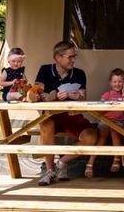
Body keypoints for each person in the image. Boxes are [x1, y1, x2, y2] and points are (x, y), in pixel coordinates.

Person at [34, 41, 97, 186]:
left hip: (72, 115)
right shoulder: (44, 70)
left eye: (74, 56)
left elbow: (83, 95)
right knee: (46, 126)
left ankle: (61, 163)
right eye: (70, 57)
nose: (73, 60)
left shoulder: (79, 73)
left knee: (91, 136)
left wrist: (77, 96)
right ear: (58, 57)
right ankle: (49, 171)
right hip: (51, 115)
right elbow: (38, 92)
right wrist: (53, 96)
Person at [94, 68, 124, 176]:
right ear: (110, 83)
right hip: (105, 121)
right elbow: (99, 109)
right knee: (102, 135)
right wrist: (106, 104)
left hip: (118, 122)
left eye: (120, 82)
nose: (117, 84)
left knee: (115, 131)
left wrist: (123, 92)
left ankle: (116, 159)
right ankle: (90, 162)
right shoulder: (107, 95)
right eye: (115, 81)